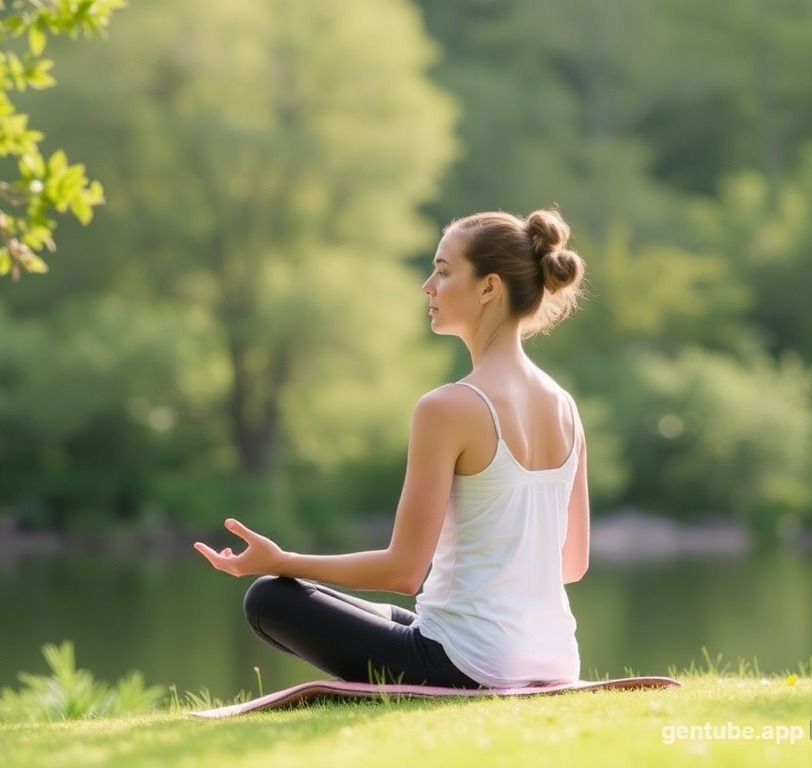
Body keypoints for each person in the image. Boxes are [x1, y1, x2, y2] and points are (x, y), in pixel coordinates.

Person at [194, 207, 590, 689]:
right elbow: (572, 564)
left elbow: (403, 571)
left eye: (443, 272)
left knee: (269, 599)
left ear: (489, 288)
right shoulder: (565, 407)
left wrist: (281, 561)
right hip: (556, 660)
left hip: (468, 665)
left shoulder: (448, 407)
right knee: (375, 613)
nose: (428, 286)